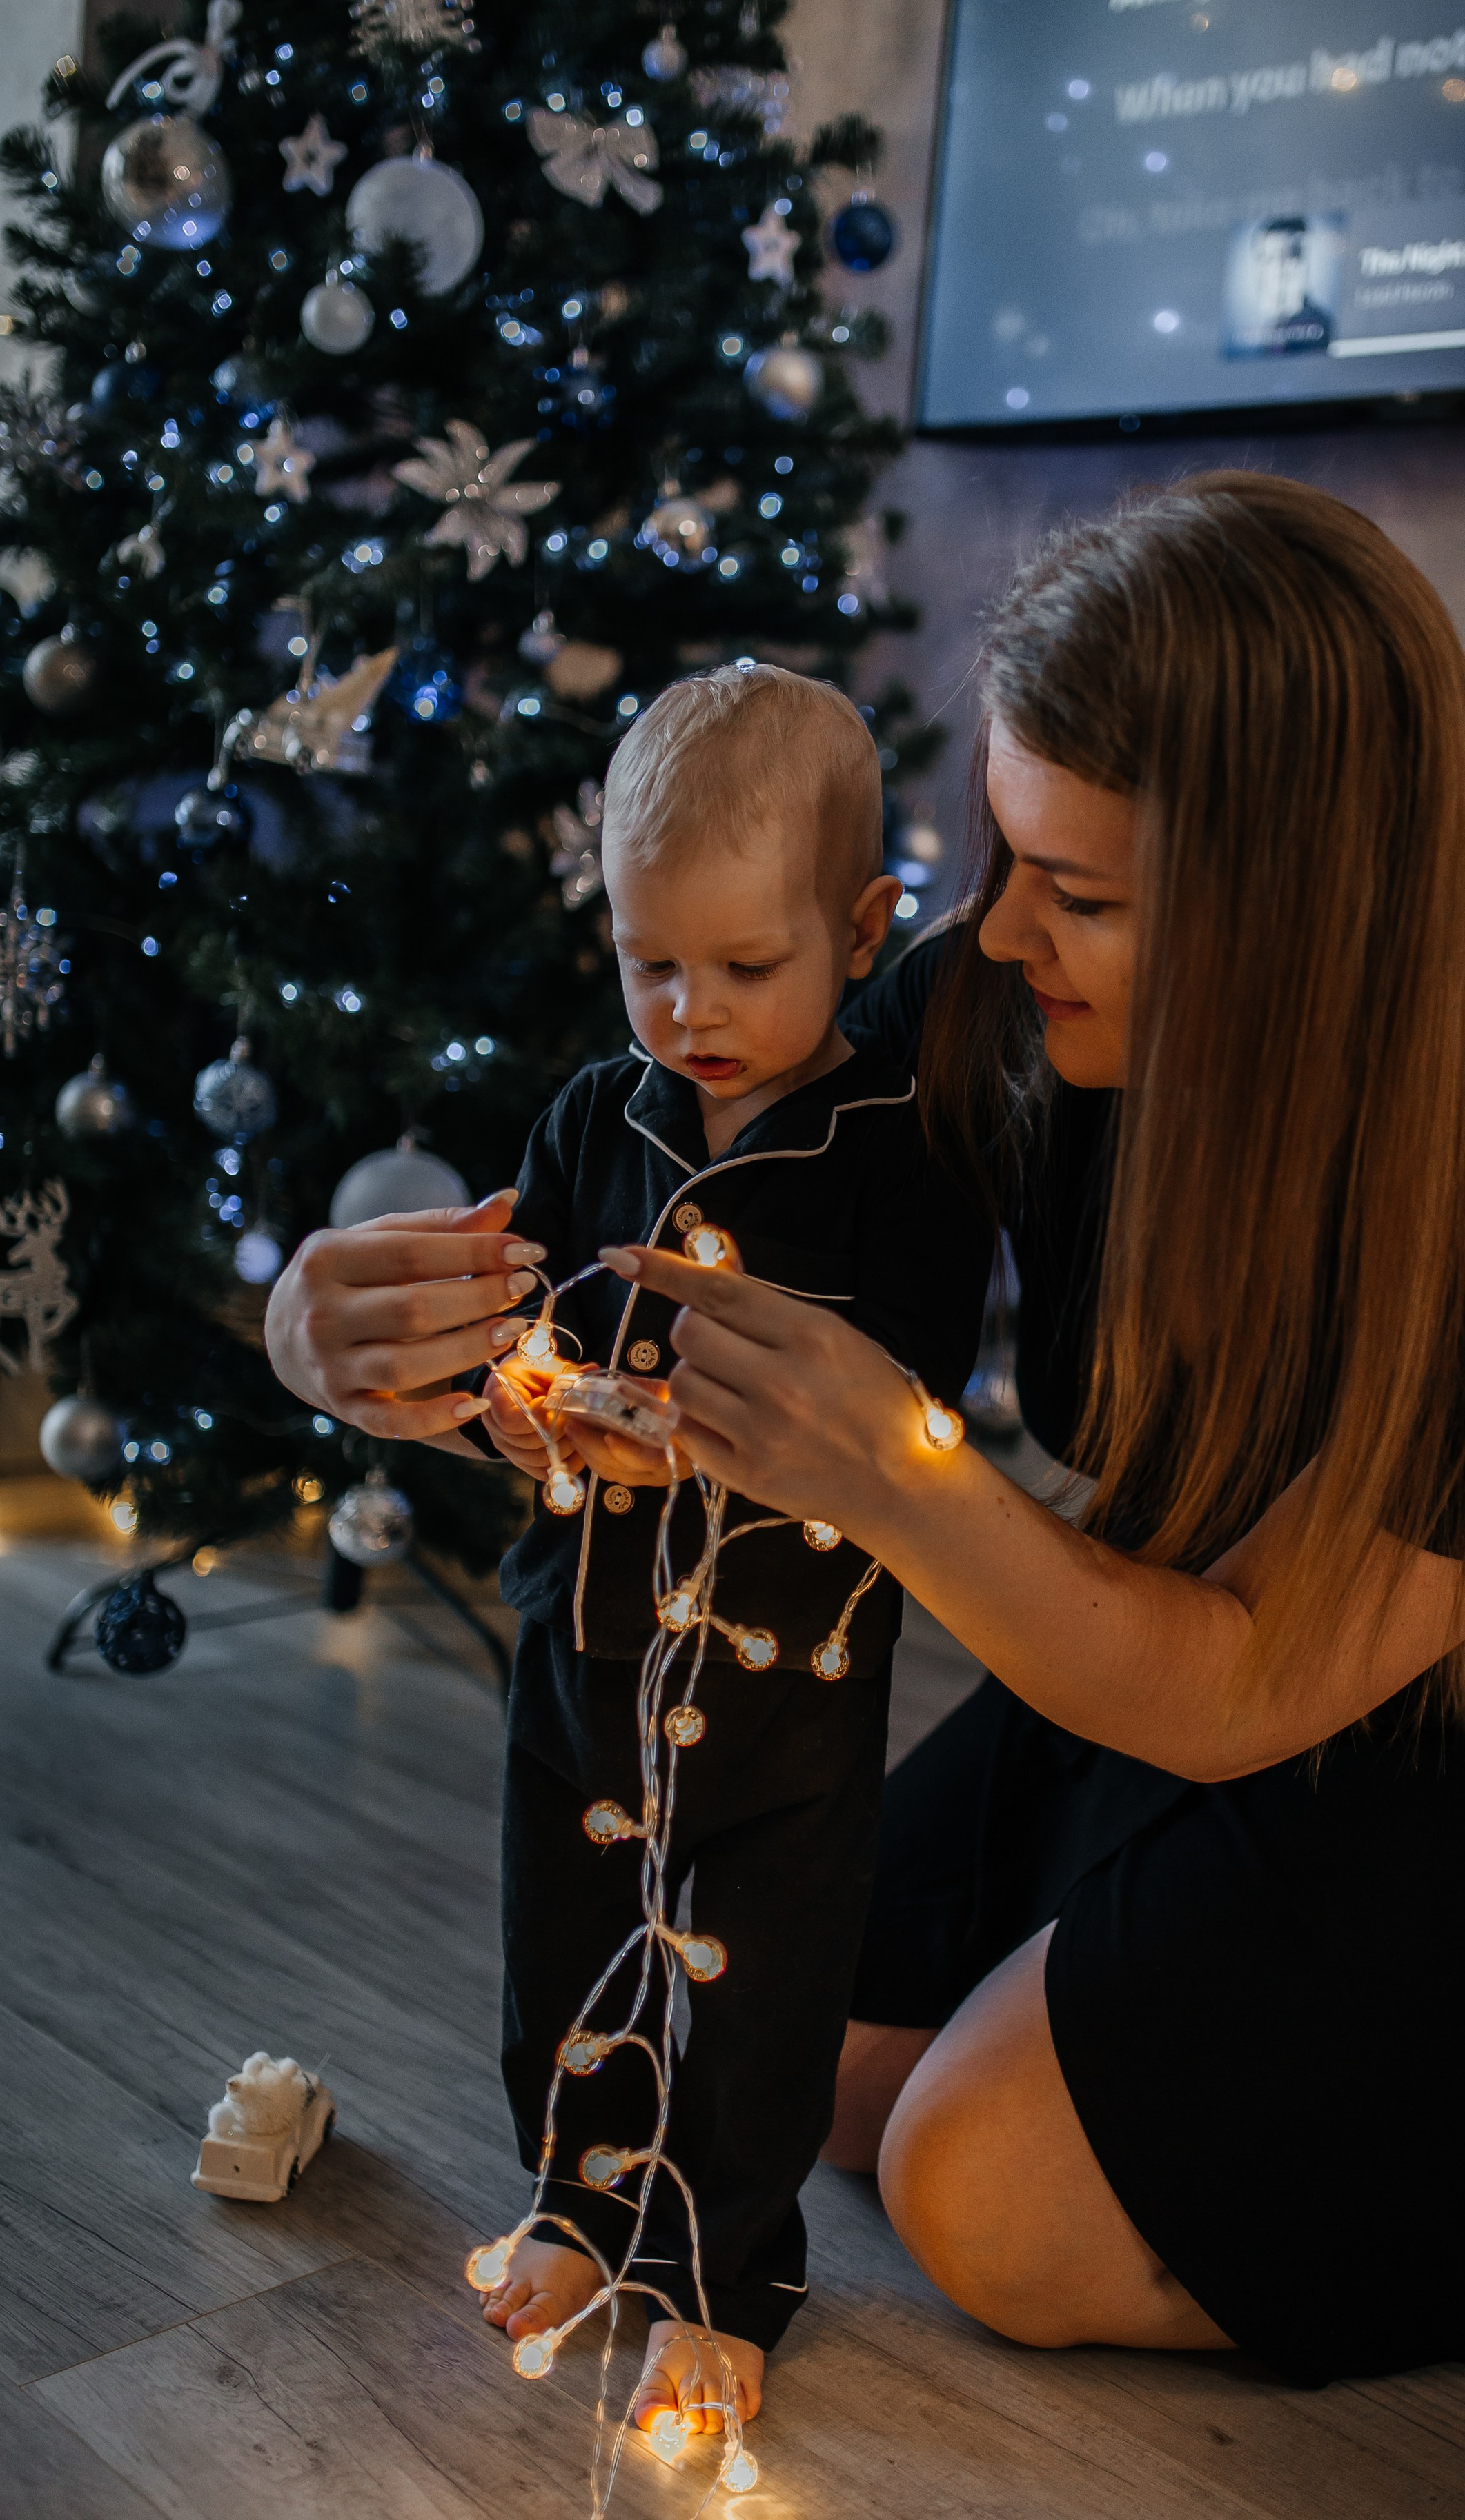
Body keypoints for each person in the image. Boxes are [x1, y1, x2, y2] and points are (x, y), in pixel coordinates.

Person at [266, 473, 1465, 2392]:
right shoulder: (1002, 1008)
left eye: (1090, 892)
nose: (998, 928)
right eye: (1005, 847)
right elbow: (644, 1303)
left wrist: (895, 1475)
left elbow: (1227, 1686)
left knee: (976, 2194)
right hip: (1206, 1641)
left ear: (1299, 915)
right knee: (811, 2052)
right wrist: (382, 1344)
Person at [271, 664, 985, 2433]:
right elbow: (522, 1316)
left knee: (755, 1982)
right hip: (579, 1631)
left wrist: (712, 1436)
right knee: (569, 1936)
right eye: (649, 963)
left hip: (784, 1670)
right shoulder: (598, 1116)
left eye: (747, 968)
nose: (692, 1010)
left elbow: (912, 1406)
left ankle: (725, 2274)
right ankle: (583, 2205)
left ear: (860, 927)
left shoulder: (898, 1156)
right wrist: (517, 1406)